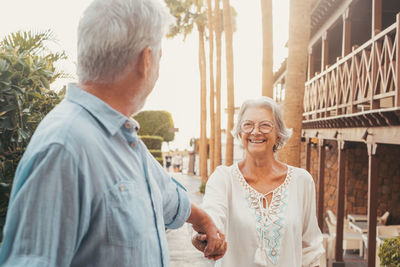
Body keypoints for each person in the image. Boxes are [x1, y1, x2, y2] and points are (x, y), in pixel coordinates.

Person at [0, 0, 226, 266]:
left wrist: (205, 222)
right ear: (146, 60)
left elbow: (166, 196)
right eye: (160, 56)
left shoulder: (123, 137)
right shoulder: (64, 148)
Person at [192, 97, 324, 266]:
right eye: (248, 125)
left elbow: (310, 248)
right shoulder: (223, 178)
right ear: (240, 133)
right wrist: (205, 234)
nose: (255, 131)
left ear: (278, 134)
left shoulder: (302, 181)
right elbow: (212, 213)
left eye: (265, 125)